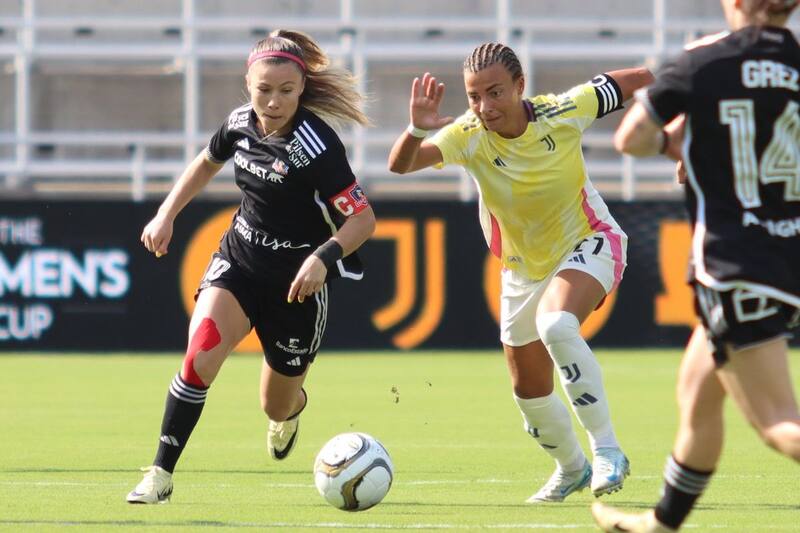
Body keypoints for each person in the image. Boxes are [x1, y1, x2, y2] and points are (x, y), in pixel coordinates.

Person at [388, 43, 653, 502]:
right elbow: (401, 165)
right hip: (522, 269)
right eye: (474, 96)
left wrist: (682, 117)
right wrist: (416, 128)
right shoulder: (467, 134)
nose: (485, 107)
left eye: (495, 93)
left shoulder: (566, 109)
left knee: (557, 323)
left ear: (519, 86)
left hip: (590, 241)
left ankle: (608, 448)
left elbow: (642, 78)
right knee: (528, 392)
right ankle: (572, 468)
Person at [126, 29, 376, 504]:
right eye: (264, 90)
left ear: (302, 88)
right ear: (248, 82)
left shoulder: (317, 146)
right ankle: (159, 473)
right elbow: (206, 161)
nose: (274, 101)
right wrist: (166, 214)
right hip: (238, 263)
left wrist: (323, 259)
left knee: (275, 403)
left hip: (295, 288)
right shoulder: (240, 121)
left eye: (286, 91)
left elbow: (363, 220)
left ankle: (292, 411)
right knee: (199, 357)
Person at [592, 1, 800, 531]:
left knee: (779, 425)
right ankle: (663, 523)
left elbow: (630, 138)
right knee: (698, 393)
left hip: (737, 264)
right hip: (790, 255)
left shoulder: (702, 62)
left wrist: (674, 142)